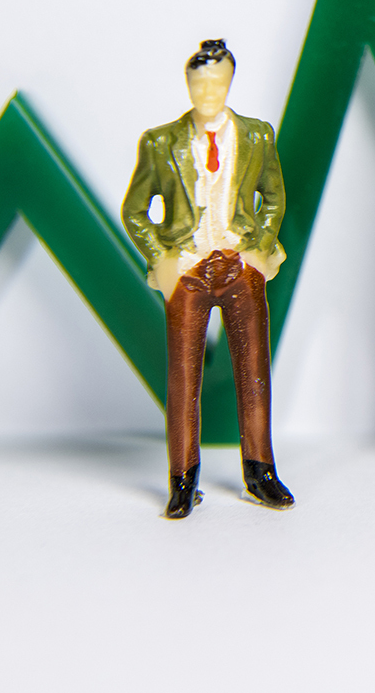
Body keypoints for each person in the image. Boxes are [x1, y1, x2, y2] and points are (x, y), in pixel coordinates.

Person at [122, 39, 293, 518]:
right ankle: (182, 479)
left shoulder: (256, 136)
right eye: (200, 85)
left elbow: (273, 197)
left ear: (230, 82)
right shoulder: (160, 142)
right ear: (188, 84)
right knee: (183, 377)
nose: (208, 93)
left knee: (253, 371)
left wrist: (258, 247)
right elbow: (135, 210)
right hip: (190, 272)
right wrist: (164, 258)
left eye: (217, 83)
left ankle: (260, 471)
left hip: (239, 268)